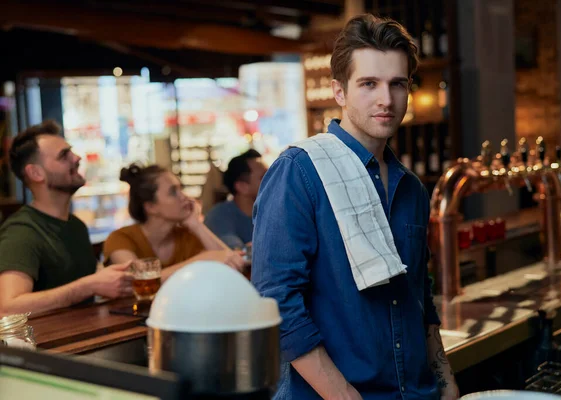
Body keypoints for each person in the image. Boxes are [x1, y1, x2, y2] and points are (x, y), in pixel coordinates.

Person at [252, 14, 459, 400]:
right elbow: (275, 302)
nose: (386, 99)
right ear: (339, 91)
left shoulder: (411, 189)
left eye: (398, 84)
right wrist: (345, 396)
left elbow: (418, 295)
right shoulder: (299, 173)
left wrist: (446, 384)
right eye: (369, 84)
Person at [0, 120, 133, 317]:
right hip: (47, 346)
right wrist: (89, 286)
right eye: (64, 156)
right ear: (36, 173)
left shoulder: (75, 225)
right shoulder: (21, 231)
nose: (77, 158)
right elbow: (8, 308)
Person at [103, 163, 248, 280]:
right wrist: (200, 261)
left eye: (181, 189)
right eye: (173, 192)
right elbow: (138, 280)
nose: (184, 197)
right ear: (151, 207)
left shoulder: (187, 236)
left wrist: (195, 224)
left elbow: (233, 266)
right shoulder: (120, 239)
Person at [204, 149, 267, 249]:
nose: (273, 181)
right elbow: (237, 255)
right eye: (264, 177)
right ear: (242, 187)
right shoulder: (218, 216)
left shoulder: (272, 212)